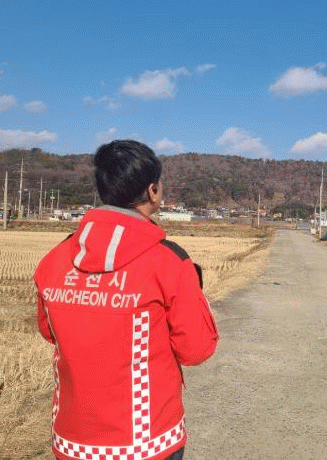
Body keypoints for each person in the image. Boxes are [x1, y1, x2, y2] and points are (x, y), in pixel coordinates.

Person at [34, 140, 218, 460]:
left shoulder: (56, 258)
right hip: (147, 442)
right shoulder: (169, 262)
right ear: (153, 191)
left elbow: (49, 331)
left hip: (73, 441)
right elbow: (196, 349)